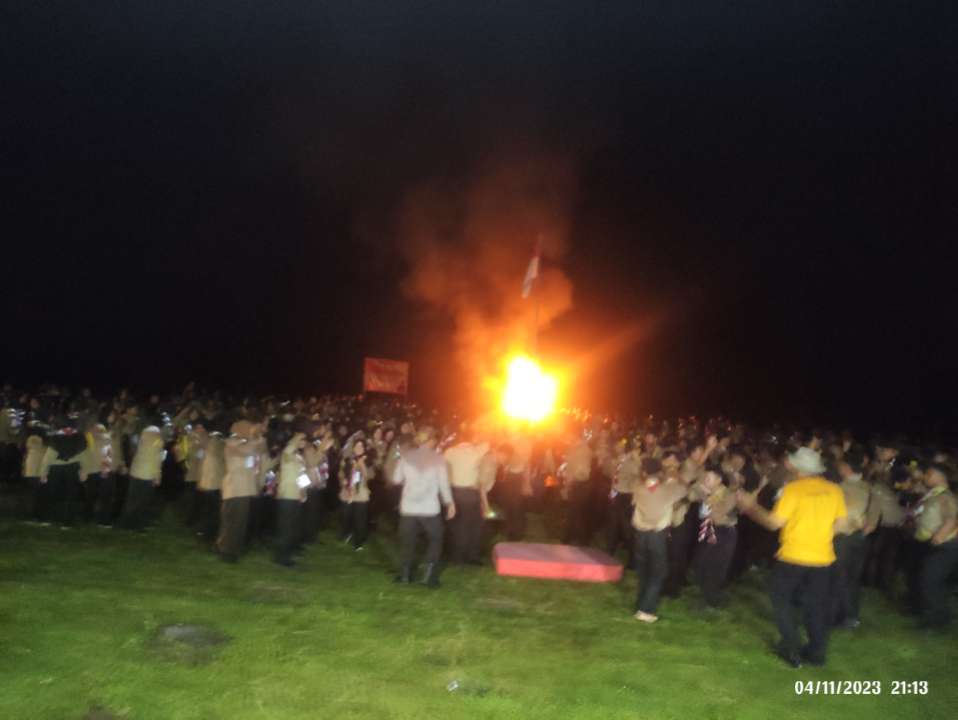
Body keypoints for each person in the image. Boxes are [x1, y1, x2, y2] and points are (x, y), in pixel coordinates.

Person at [736, 447, 848, 668]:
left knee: (781, 600)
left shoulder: (793, 490)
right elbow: (842, 525)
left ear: (797, 468)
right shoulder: (834, 490)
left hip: (793, 556)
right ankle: (817, 653)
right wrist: (820, 535)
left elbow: (773, 522)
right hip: (822, 558)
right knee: (816, 606)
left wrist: (750, 507)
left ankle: (791, 647)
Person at [391, 429, 455, 587]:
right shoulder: (438, 459)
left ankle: (405, 575)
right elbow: (443, 485)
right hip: (429, 508)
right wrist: (449, 503)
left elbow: (396, 479)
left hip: (409, 506)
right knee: (436, 539)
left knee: (408, 541)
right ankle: (429, 576)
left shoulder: (406, 457)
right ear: (431, 440)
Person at [631, 457, 689, 623]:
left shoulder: (638, 488)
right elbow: (685, 490)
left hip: (640, 534)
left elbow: (648, 487)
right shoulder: (667, 490)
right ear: (659, 472)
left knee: (644, 572)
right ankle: (646, 610)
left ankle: (640, 604)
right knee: (658, 573)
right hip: (657, 535)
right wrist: (674, 476)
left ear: (643, 472)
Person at [830, 447, 877, 628]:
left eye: (840, 465)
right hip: (861, 538)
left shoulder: (842, 488)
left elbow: (846, 514)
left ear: (846, 467)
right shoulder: (869, 487)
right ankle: (851, 616)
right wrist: (865, 529)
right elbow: (874, 515)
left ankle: (838, 616)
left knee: (839, 576)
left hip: (843, 537)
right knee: (853, 578)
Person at [911, 463, 958, 628]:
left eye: (929, 474)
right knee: (929, 580)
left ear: (940, 476)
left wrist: (940, 536)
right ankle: (936, 616)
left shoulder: (946, 496)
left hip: (945, 545)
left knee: (931, 581)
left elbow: (952, 519)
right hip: (933, 543)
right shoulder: (932, 495)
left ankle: (936, 620)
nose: (925, 477)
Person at [690, 468, 739, 608]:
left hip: (723, 531)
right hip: (708, 528)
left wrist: (706, 495)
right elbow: (691, 496)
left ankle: (712, 599)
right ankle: (705, 593)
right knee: (702, 561)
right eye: (705, 478)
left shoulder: (728, 494)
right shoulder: (708, 491)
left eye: (709, 479)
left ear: (719, 480)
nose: (705, 481)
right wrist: (699, 489)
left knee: (716, 565)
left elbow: (717, 515)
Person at [444, 432, 490, 565]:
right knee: (473, 526)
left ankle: (457, 556)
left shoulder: (450, 451)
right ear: (472, 439)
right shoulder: (476, 451)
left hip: (455, 492)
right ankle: (470, 556)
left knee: (458, 526)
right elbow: (487, 443)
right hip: (470, 493)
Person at [218, 421, 259, 562]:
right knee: (231, 521)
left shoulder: (243, 444)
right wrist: (252, 438)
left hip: (243, 489)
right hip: (234, 489)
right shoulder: (232, 443)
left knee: (239, 522)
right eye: (249, 429)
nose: (252, 432)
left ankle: (233, 549)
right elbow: (248, 450)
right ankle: (226, 550)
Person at [117, 425, 165, 531]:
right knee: (143, 502)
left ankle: (124, 524)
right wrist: (157, 476)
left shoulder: (140, 441)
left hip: (135, 473)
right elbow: (157, 461)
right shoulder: (158, 443)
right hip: (147, 476)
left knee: (131, 500)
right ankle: (138, 525)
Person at [274, 432, 308, 567]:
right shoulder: (287, 454)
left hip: (296, 495)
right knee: (286, 528)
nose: (304, 442)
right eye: (302, 440)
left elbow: (302, 475)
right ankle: (282, 557)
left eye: (304, 440)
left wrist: (304, 491)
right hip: (287, 495)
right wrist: (297, 437)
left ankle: (290, 551)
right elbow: (289, 448)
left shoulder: (299, 457)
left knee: (293, 526)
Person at [339, 438, 373, 551]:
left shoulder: (368, 460)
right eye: (357, 446)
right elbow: (341, 473)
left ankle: (358, 542)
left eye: (361, 446)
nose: (359, 448)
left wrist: (362, 465)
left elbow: (369, 476)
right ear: (353, 447)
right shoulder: (347, 459)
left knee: (360, 518)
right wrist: (343, 480)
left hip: (361, 492)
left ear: (364, 448)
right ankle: (346, 533)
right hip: (348, 491)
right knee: (346, 515)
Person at [562, 434, 593, 545]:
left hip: (579, 485)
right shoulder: (575, 449)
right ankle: (571, 537)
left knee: (577, 513)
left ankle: (579, 539)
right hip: (576, 484)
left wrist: (570, 482)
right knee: (574, 512)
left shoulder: (583, 450)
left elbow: (582, 472)